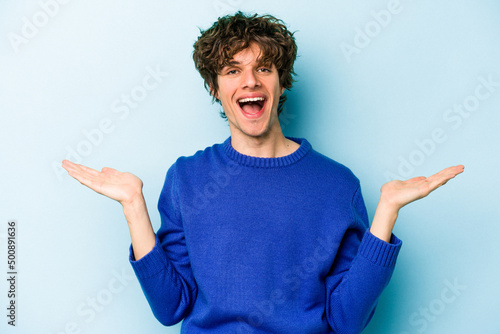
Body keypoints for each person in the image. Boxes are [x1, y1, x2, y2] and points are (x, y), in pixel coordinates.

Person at [62, 11, 464, 334]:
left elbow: (346, 320)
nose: (249, 80)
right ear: (215, 88)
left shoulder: (337, 184)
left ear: (281, 82)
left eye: (264, 68)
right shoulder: (187, 178)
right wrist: (133, 205)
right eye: (232, 71)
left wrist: (387, 212)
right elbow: (171, 308)